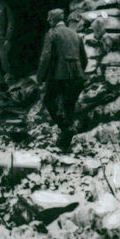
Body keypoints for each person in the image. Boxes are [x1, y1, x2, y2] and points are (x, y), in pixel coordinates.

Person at [37, 8, 88, 150]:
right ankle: (65, 144)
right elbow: (84, 59)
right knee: (69, 105)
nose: (48, 21)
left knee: (49, 100)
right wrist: (78, 71)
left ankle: (65, 127)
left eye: (49, 18)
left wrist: (40, 77)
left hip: (58, 75)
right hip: (76, 75)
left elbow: (45, 57)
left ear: (53, 20)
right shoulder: (75, 35)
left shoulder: (52, 34)